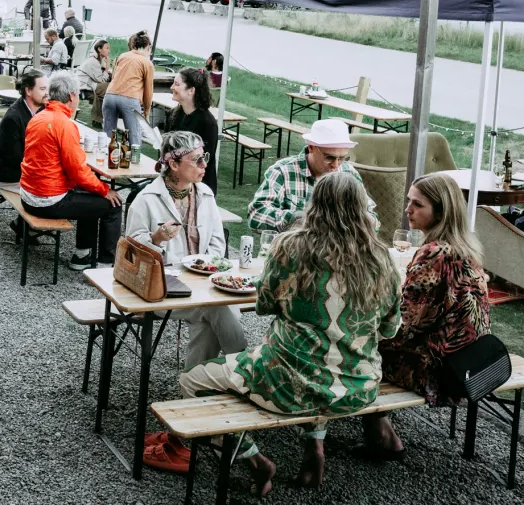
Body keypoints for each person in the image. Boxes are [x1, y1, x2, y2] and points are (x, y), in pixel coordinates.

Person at [177, 173, 401, 493]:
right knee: (323, 356)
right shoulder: (383, 260)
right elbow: (390, 328)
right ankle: (314, 447)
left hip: (287, 385)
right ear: (361, 208)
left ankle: (254, 459)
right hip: (358, 387)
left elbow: (265, 305)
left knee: (192, 381)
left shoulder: (291, 247)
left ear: (315, 205)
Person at [362, 173, 491, 459]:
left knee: (355, 350)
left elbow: (406, 324)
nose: (407, 209)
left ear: (441, 212)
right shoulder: (467, 248)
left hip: (439, 372)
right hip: (471, 360)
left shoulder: (434, 254)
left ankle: (382, 436)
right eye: (409, 201)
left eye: (417, 204)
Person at [126, 131, 243, 368]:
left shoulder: (205, 195)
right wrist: (156, 239)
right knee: (218, 307)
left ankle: (194, 383)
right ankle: (246, 368)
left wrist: (206, 267)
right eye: (197, 159)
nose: (204, 165)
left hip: (203, 283)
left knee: (210, 318)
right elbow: (131, 253)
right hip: (162, 288)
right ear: (174, 164)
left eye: (204, 157)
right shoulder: (146, 199)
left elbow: (217, 243)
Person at [19, 71, 122, 269]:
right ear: (72, 96)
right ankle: (105, 263)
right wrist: (105, 190)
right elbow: (78, 171)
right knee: (113, 203)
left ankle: (82, 255)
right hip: (47, 201)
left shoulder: (38, 117)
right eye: (78, 95)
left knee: (90, 194)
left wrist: (97, 188)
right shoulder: (64, 124)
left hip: (28, 194)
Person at [249, 119, 376, 232]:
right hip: (294, 247)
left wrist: (365, 221)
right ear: (311, 147)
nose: (336, 165)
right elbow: (257, 214)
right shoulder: (282, 171)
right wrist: (302, 219)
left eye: (342, 158)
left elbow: (371, 215)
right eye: (329, 157)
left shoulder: (349, 172)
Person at [0, 68, 48, 189]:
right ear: (28, 91)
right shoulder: (13, 118)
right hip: (9, 176)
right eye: (42, 89)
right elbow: (15, 158)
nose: (47, 93)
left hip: (25, 169)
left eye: (47, 89)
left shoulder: (40, 110)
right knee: (58, 189)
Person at [165, 67, 219, 194]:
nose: (172, 87)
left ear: (191, 90)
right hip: (173, 180)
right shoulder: (173, 115)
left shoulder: (208, 123)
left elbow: (202, 160)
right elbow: (166, 149)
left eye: (177, 84)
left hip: (198, 186)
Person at [103, 30, 154, 149]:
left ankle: (105, 156)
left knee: (108, 136)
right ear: (148, 47)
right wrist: (146, 112)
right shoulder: (147, 63)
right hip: (130, 98)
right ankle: (134, 158)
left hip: (110, 95)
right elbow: (148, 91)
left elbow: (114, 76)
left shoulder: (122, 56)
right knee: (134, 136)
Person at [77, 39, 112, 128]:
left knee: (106, 91)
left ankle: (97, 119)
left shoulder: (97, 59)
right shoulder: (93, 61)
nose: (109, 51)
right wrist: (107, 67)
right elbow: (101, 80)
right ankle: (100, 119)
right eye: (107, 48)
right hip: (85, 87)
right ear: (99, 49)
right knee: (110, 87)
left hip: (90, 84)